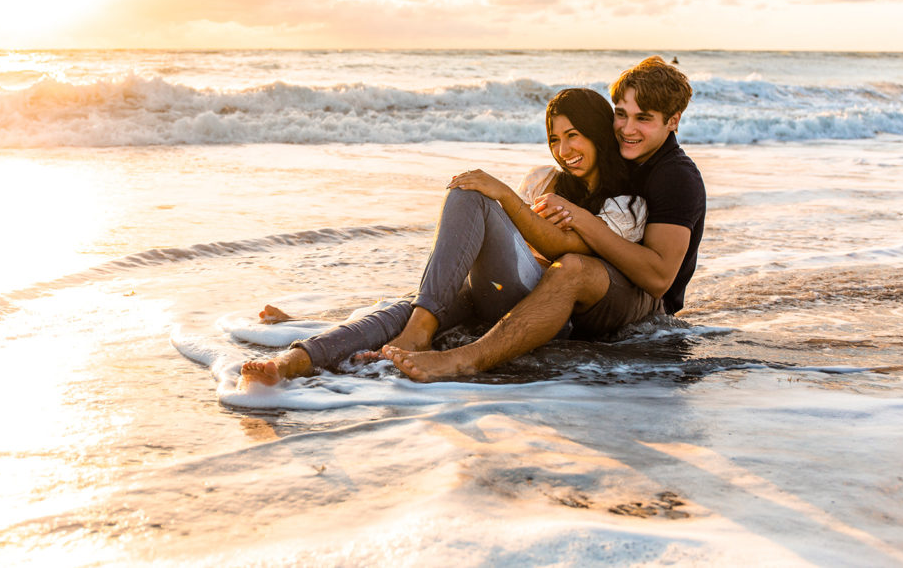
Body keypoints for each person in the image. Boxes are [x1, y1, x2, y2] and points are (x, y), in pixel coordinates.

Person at [240, 88, 647, 386]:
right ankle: (293, 360)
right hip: (496, 289)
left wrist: (505, 197)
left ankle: (419, 330)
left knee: (471, 194)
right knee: (405, 312)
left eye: (574, 135)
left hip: (542, 311)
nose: (564, 149)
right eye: (555, 139)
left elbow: (570, 252)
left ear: (596, 133)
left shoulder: (627, 205)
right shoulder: (542, 180)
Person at [383, 56, 705, 381]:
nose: (627, 129)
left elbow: (658, 277)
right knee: (464, 291)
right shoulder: (623, 156)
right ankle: (365, 347)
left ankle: (467, 360)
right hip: (594, 293)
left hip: (642, 307)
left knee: (572, 268)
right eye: (621, 115)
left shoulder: (674, 176)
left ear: (673, 121)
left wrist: (580, 220)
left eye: (644, 119)